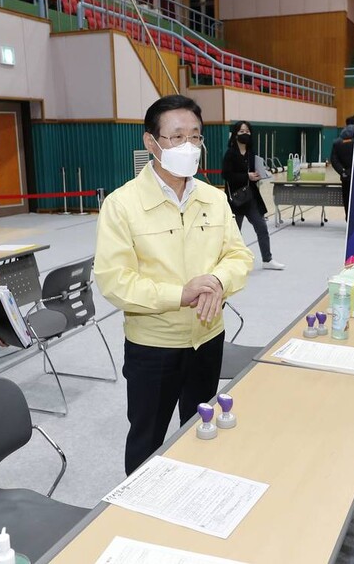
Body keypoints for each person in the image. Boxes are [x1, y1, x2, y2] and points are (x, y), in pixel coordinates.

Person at [94, 95, 254, 475]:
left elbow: (239, 256)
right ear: (152, 144)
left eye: (195, 136)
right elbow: (115, 280)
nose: (189, 146)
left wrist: (217, 279)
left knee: (201, 429)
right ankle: (137, 513)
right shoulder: (122, 205)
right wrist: (179, 294)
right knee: (147, 440)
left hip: (207, 337)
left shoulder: (214, 199)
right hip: (154, 347)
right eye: (177, 136)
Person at [221, 120, 285, 270]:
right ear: (235, 134)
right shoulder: (230, 153)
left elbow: (253, 172)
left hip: (250, 197)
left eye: (247, 131)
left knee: (261, 226)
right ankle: (230, 261)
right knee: (234, 233)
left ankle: (267, 259)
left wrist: (259, 175)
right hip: (235, 199)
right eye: (242, 131)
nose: (245, 134)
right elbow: (226, 175)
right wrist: (246, 176)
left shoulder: (251, 153)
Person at [330, 114, 354, 219]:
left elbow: (334, 160)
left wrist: (343, 171)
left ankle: (348, 220)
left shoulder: (337, 142)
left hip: (346, 177)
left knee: (347, 199)